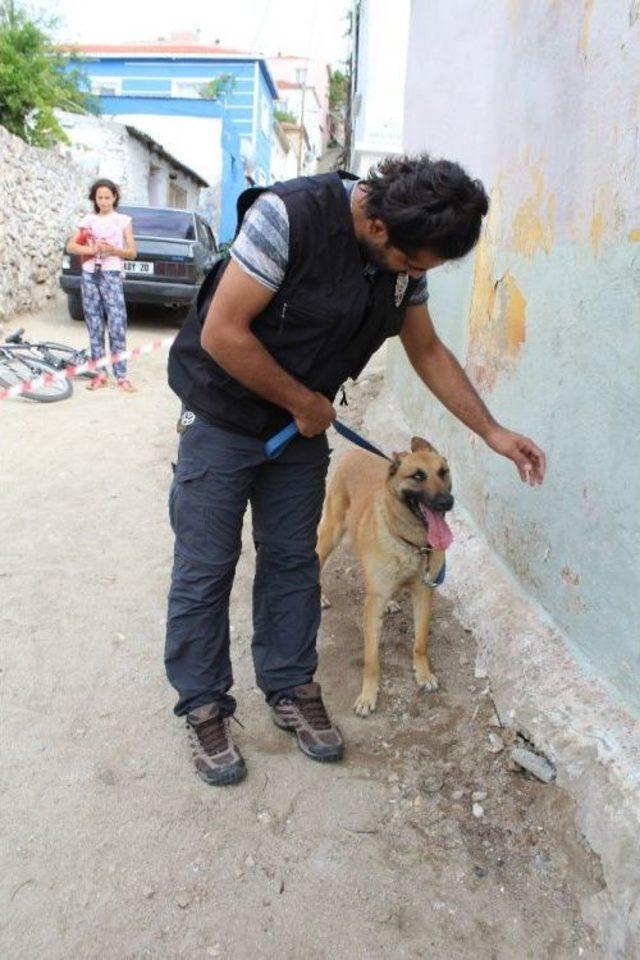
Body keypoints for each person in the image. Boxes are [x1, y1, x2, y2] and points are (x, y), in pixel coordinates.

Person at [166, 155, 546, 787]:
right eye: (412, 263)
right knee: (206, 564)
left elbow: (424, 348)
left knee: (292, 558)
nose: (415, 276)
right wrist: (303, 401)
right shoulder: (285, 218)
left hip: (300, 428)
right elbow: (223, 333)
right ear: (376, 227)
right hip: (223, 416)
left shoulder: (401, 264)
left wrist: (492, 430)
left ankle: (288, 684)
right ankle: (204, 703)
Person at [66, 179, 137, 392]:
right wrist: (92, 249)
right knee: (94, 324)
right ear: (94, 199)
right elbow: (71, 246)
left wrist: (113, 250)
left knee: (117, 324)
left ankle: (122, 375)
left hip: (111, 274)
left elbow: (132, 252)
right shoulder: (87, 221)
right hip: (89, 275)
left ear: (115, 197)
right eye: (100, 197)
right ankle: (99, 373)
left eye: (108, 197)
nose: (104, 201)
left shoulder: (122, 220)